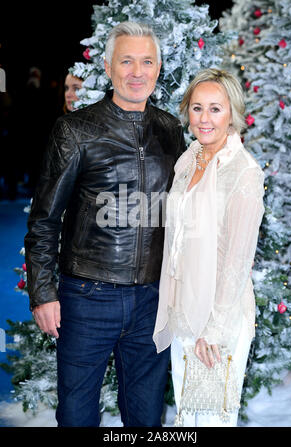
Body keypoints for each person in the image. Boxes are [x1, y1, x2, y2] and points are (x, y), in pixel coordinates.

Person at [24, 21, 185, 427]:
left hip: (152, 299)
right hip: (87, 297)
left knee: (147, 416)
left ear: (158, 67)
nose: (137, 71)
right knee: (77, 414)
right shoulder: (74, 131)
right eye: (126, 61)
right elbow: (45, 220)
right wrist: (43, 294)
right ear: (109, 67)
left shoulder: (171, 131)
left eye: (147, 61)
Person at [153, 68, 265, 427]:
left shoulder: (244, 173)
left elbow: (238, 261)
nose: (204, 118)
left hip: (220, 318)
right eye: (197, 107)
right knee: (188, 419)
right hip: (184, 311)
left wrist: (212, 329)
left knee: (214, 419)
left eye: (215, 109)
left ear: (233, 112)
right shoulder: (189, 160)